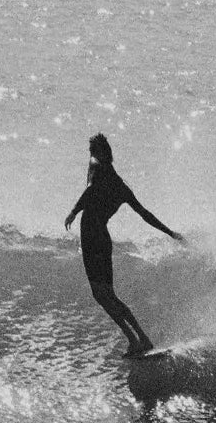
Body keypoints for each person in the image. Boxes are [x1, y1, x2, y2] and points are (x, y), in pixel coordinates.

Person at [64, 132, 181, 354]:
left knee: (101, 295)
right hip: (103, 239)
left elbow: (89, 192)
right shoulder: (120, 186)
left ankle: (134, 340)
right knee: (109, 294)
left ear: (100, 154)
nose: (90, 156)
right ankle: (141, 339)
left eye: (92, 152)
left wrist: (73, 211)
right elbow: (145, 214)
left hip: (91, 237)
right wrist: (170, 232)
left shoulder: (97, 172)